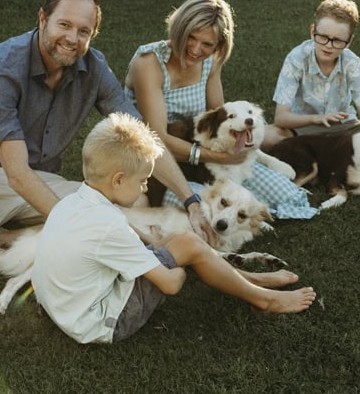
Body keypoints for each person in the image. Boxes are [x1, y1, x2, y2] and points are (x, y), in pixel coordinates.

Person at [0, 0, 210, 361]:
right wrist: (80, 221)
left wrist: (190, 200)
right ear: (43, 19)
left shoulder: (94, 68)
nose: (72, 39)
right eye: (64, 25)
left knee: (130, 209)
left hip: (44, 179)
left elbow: (144, 139)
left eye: (84, 31)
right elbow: (16, 173)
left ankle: (180, 260)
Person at [31, 113, 315, 344]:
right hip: (100, 322)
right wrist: (182, 268)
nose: (145, 187)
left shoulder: (72, 203)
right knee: (188, 245)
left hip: (61, 307)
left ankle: (250, 280)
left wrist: (165, 249)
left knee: (177, 243)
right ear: (118, 180)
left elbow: (125, 239)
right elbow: (169, 283)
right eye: (143, 180)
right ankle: (265, 300)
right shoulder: (109, 226)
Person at [124, 0, 317, 220]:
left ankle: (252, 205)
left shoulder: (210, 61)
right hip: (158, 162)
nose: (196, 50)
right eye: (191, 38)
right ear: (179, 30)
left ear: (218, 45)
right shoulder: (149, 63)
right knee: (207, 211)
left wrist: (240, 152)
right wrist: (219, 158)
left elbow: (220, 120)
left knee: (286, 195)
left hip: (205, 158)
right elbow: (158, 140)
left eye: (207, 44)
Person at [264, 0, 360, 149]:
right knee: (267, 137)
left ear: (349, 41)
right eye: (323, 37)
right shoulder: (296, 59)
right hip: (302, 126)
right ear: (312, 30)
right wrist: (317, 118)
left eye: (338, 40)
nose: (328, 46)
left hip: (343, 127)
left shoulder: (352, 63)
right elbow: (281, 118)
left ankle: (323, 151)